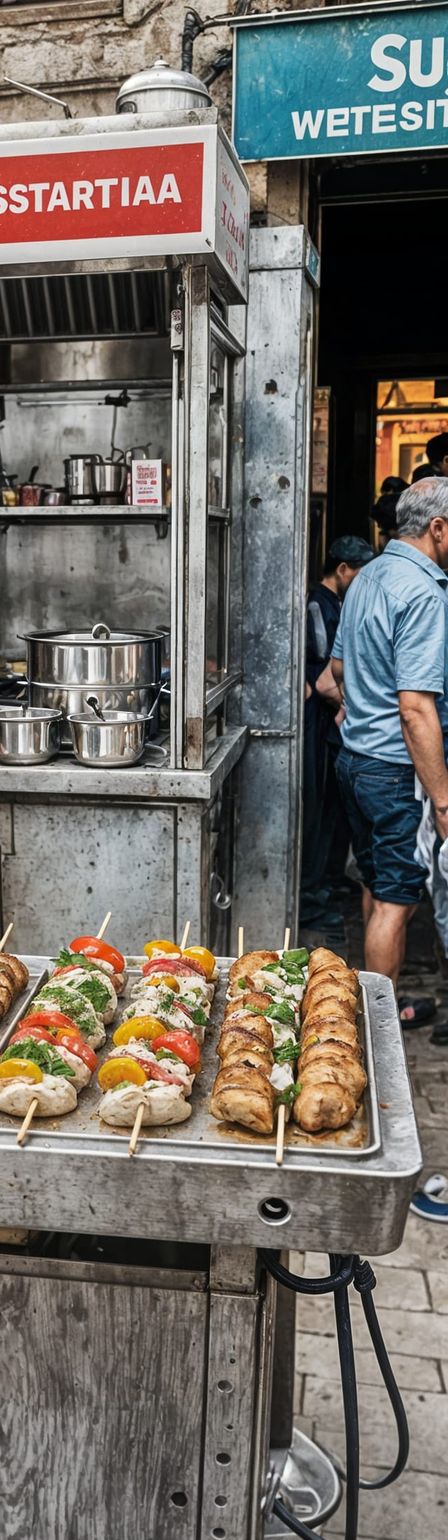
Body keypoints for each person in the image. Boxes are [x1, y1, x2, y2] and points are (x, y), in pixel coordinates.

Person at [326, 479, 448, 1221]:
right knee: (398, 899)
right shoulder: (427, 591)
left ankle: (378, 1006)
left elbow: (338, 672)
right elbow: (417, 706)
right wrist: (443, 795)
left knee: (376, 886)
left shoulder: (368, 577)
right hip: (396, 769)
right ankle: (377, 1048)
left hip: (354, 761)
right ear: (438, 527)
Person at [300, 535, 373, 940]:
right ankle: (312, 901)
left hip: (330, 725)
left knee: (331, 813)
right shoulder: (318, 605)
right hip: (316, 723)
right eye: (359, 573)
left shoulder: (339, 604)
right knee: (315, 813)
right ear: (342, 570)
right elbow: (326, 678)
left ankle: (325, 887)